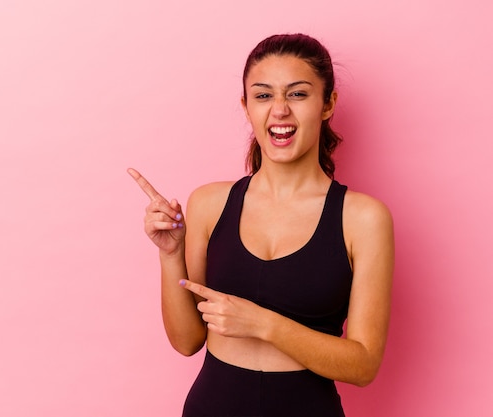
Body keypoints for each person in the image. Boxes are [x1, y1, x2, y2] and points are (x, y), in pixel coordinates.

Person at [128, 33, 394, 417]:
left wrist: (263, 324)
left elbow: (364, 365)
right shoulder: (209, 203)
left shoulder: (363, 218)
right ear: (246, 106)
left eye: (298, 94)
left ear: (327, 103)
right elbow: (187, 342)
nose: (280, 110)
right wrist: (170, 255)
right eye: (264, 95)